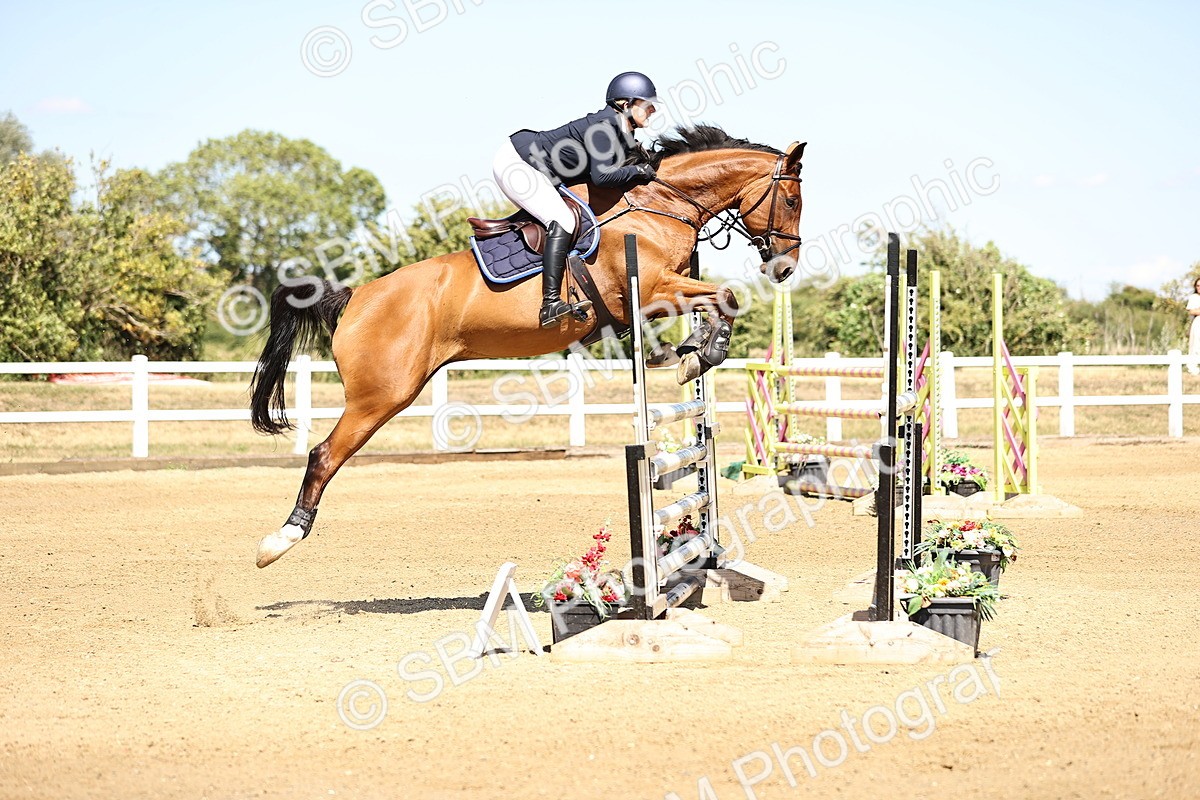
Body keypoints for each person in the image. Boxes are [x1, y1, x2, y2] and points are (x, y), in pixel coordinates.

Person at [493, 71, 660, 328]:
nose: (652, 111)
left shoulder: (621, 132)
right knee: (562, 219)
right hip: (518, 165)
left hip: (539, 168)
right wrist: (638, 171)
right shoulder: (604, 128)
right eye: (647, 105)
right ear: (625, 105)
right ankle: (549, 304)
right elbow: (603, 177)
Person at [1187, 277, 1200, 375]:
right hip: (1198, 322)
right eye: (1198, 285)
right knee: (1196, 345)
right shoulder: (1194, 297)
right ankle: (1193, 369)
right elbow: (1192, 311)